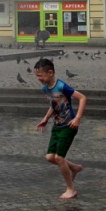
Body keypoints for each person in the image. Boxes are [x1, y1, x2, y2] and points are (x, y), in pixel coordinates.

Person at [34, 57, 87, 199]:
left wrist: (77, 118)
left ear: (50, 72)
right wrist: (46, 119)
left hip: (69, 126)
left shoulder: (62, 86)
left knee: (59, 158)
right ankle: (74, 168)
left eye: (40, 75)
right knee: (50, 157)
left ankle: (71, 189)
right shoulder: (45, 88)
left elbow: (82, 98)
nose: (38, 78)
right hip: (57, 126)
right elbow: (54, 104)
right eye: (36, 76)